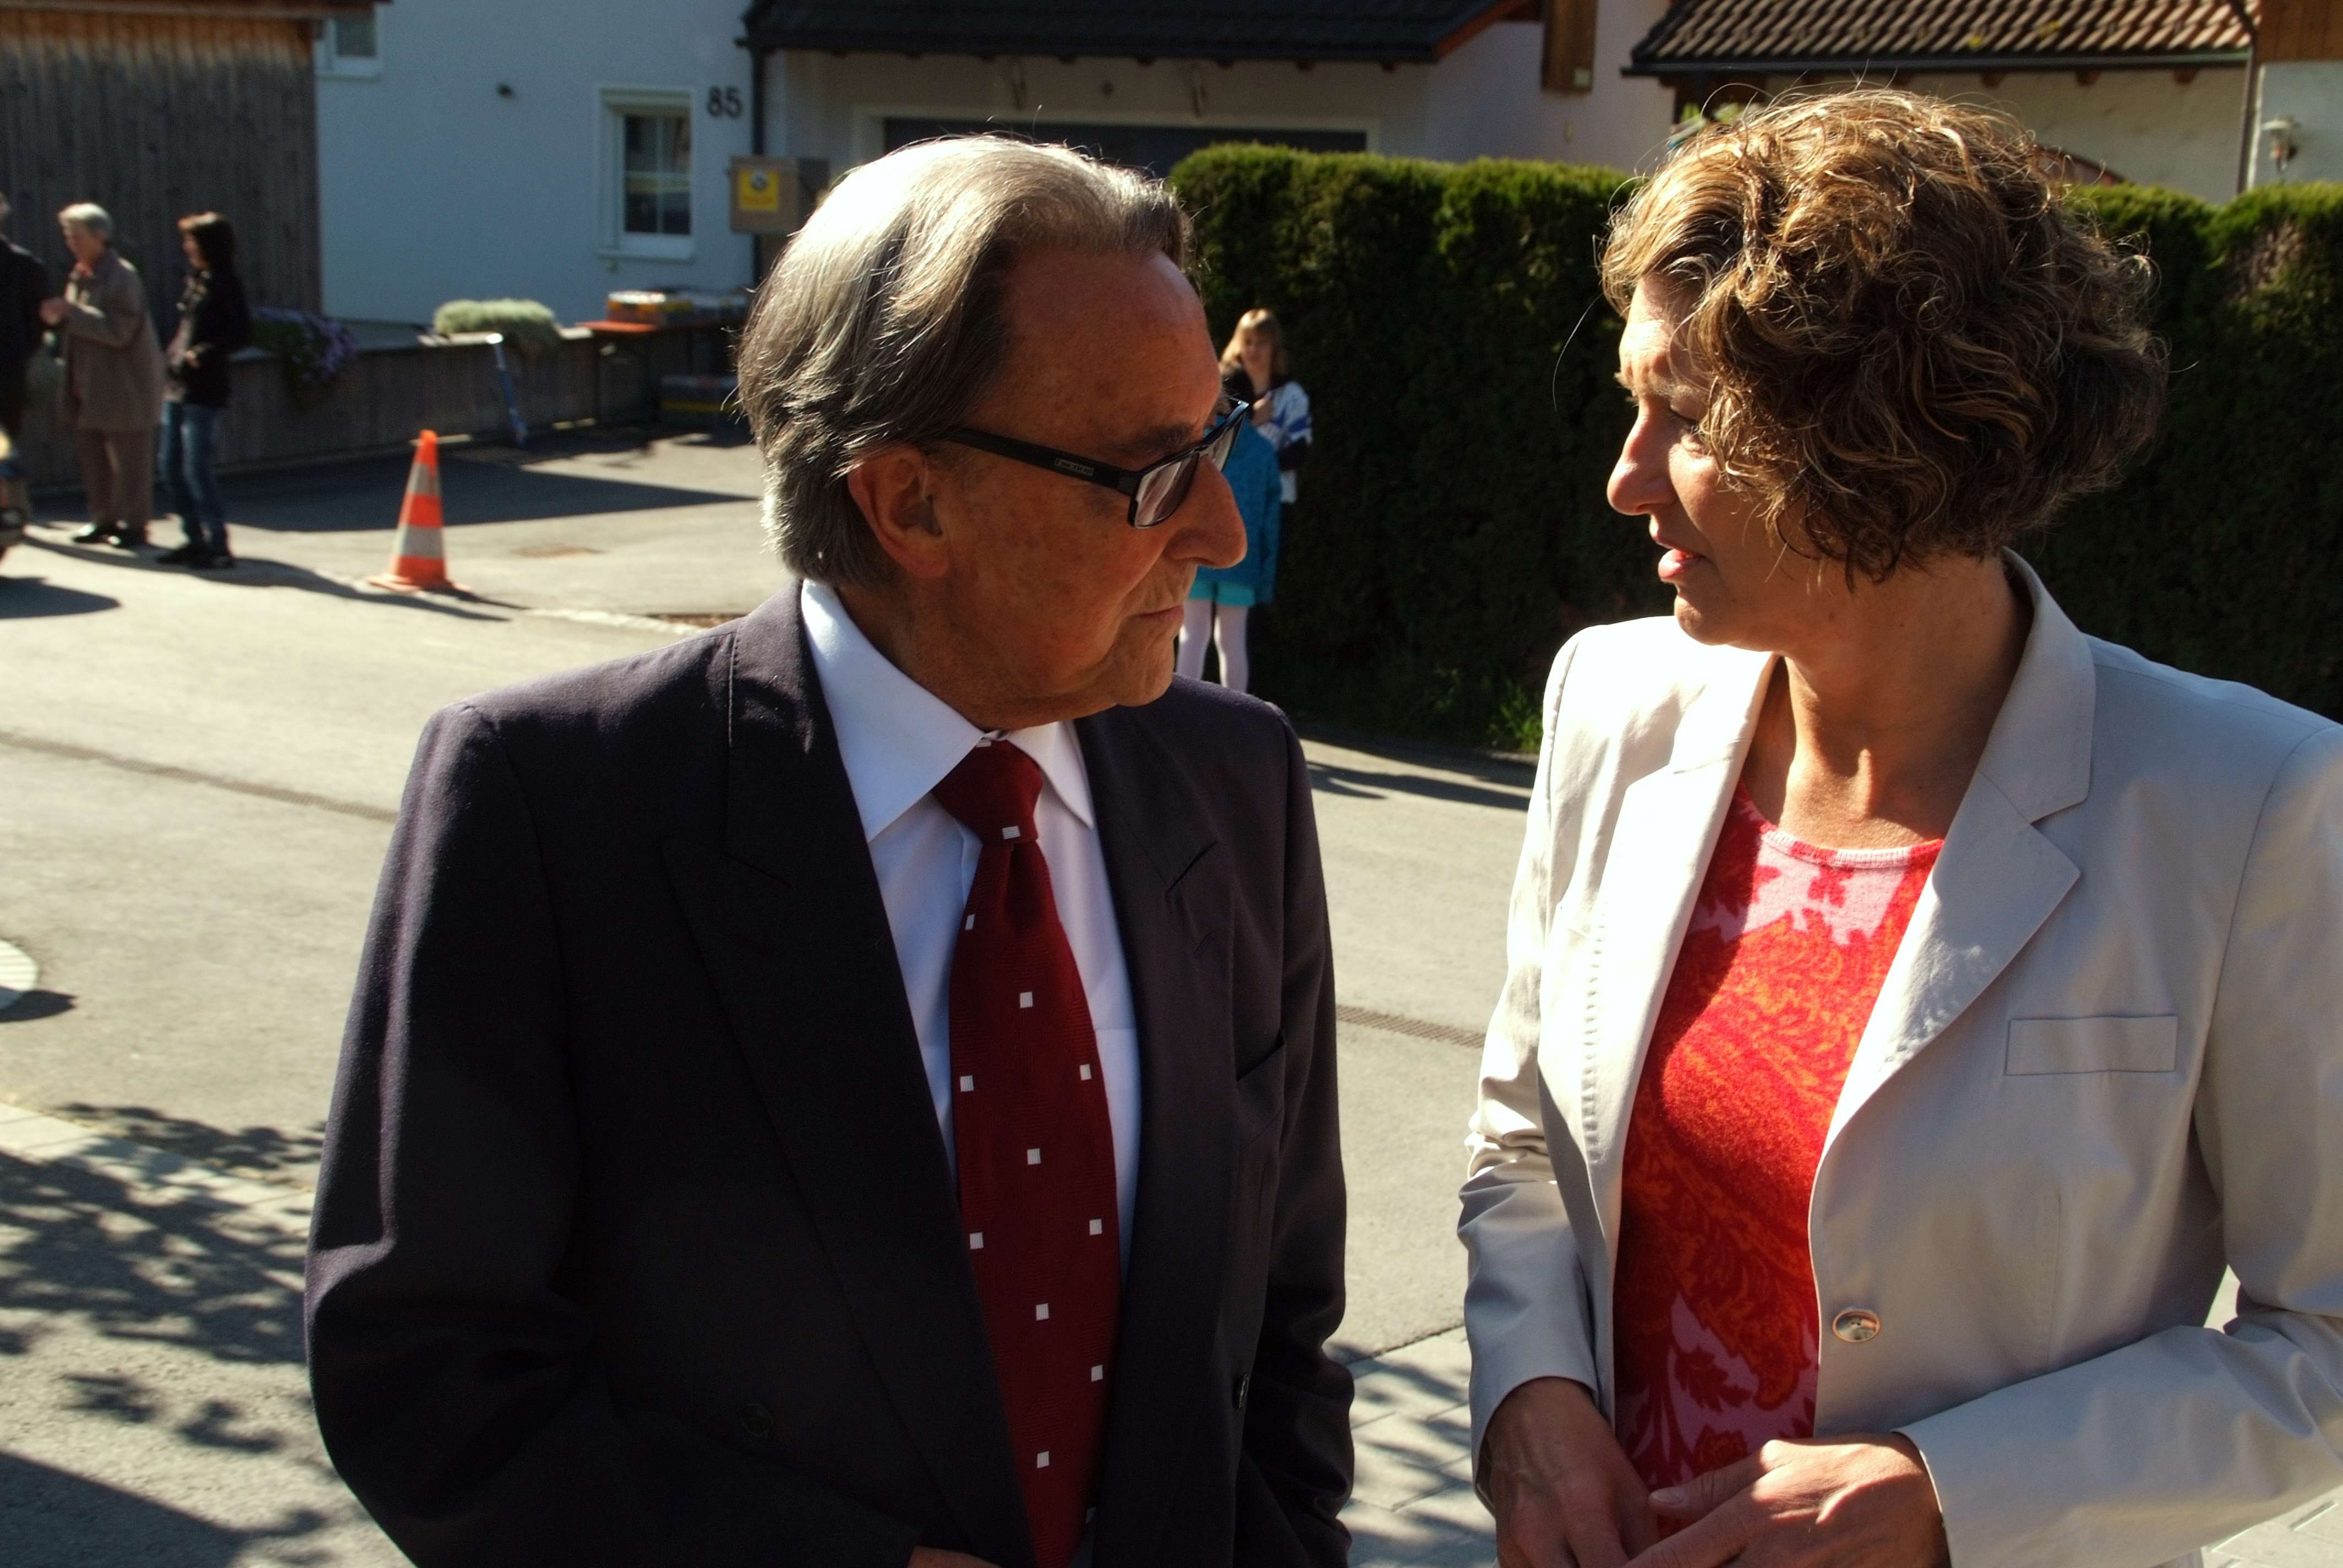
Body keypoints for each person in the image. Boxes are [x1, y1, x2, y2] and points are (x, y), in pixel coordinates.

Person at [306, 136, 1353, 1568]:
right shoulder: (553, 807)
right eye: (1157, 472)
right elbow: (429, 1370)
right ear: (909, 501)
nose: (1220, 528)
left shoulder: (1236, 783)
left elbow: (1280, 1329)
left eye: (1215, 441)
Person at [1461, 88, 2343, 1568]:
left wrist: (1949, 1491)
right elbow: (1523, 1139)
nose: (1624, 475)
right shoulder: (1614, 703)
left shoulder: (2248, 800)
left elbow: (2323, 1340)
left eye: (1685, 417)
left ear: (1870, 440)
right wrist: (1532, 1396)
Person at [41, 203, 164, 549]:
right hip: (87, 382)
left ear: (100, 237)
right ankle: (102, 519)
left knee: (131, 460)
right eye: (68, 236)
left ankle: (135, 525)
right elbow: (79, 325)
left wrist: (72, 312)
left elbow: (119, 331)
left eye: (77, 236)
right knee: (92, 457)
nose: (71, 243)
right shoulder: (80, 274)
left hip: (124, 385)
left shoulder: (122, 276)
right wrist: (58, 319)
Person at [156, 212, 250, 569]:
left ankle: (218, 544)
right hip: (179, 384)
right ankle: (193, 538)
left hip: (206, 387)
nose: (186, 248)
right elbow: (186, 327)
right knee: (171, 466)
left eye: (192, 241)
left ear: (208, 244)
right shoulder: (198, 280)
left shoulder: (226, 282)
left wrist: (206, 352)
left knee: (197, 467)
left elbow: (241, 333)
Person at [1178, 412, 1281, 694]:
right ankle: (1237, 710)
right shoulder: (1263, 450)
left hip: (1197, 554)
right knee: (1232, 642)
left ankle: (1180, 709)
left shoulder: (1201, 443)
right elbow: (1271, 522)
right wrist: (1266, 578)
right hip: (1244, 561)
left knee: (1191, 636)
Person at [1219, 309, 1309, 508]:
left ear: (1274, 348)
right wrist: (1251, 421)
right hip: (1233, 498)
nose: (1253, 349)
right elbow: (1216, 447)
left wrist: (1257, 466)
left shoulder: (1291, 396)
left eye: (1261, 343)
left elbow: (1298, 452)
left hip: (1276, 500)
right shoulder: (1224, 396)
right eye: (1248, 342)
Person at [0, 191, 47, 537]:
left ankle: (11, 521)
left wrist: (16, 362)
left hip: (6, 379)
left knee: (4, 454)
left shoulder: (24, 267)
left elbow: (36, 327)